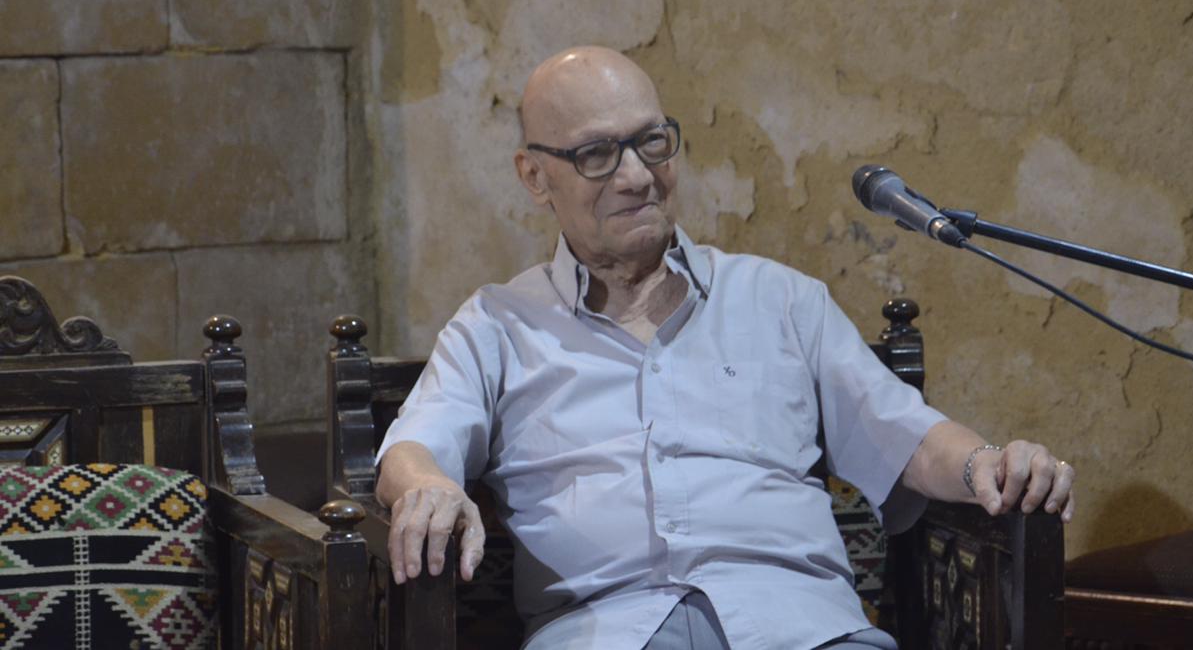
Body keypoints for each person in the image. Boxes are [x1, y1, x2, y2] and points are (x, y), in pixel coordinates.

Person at [375, 46, 1075, 650]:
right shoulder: (498, 325)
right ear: (534, 176)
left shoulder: (781, 301)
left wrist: (990, 463)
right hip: (607, 632)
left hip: (804, 630)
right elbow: (413, 448)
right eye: (597, 154)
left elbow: (908, 436)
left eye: (653, 142)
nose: (637, 176)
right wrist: (428, 487)